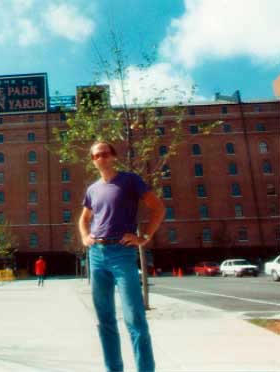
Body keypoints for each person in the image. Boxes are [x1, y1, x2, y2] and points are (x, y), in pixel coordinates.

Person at [79, 141, 165, 372]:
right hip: (96, 255)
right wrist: (85, 237)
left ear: (113, 156)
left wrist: (144, 236)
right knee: (105, 320)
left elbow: (158, 208)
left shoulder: (130, 180)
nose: (101, 158)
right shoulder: (92, 189)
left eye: (105, 154)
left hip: (122, 253)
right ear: (93, 161)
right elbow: (84, 219)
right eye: (97, 155)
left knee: (135, 318)